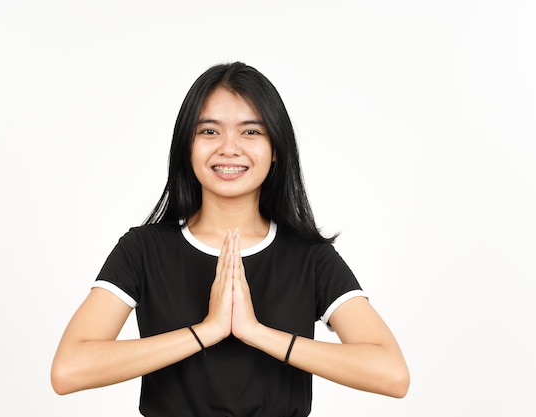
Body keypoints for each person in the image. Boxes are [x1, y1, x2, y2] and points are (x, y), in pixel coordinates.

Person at [51, 62, 409, 416]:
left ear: (275, 151)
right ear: (186, 147)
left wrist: (255, 332)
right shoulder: (143, 249)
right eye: (209, 131)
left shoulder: (309, 257)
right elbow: (69, 370)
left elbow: (391, 374)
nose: (229, 148)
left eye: (250, 132)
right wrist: (206, 331)